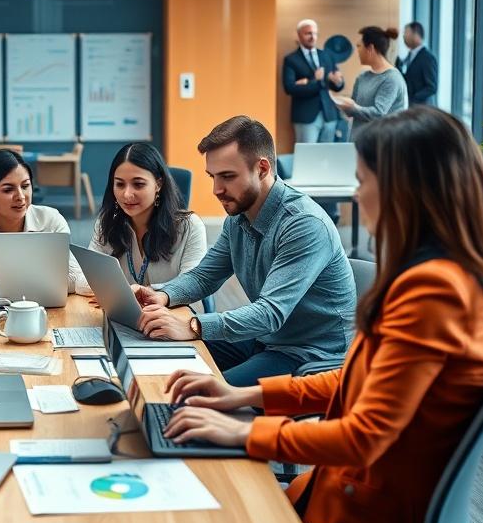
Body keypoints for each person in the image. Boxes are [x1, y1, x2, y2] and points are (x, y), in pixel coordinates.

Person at [134, 106, 483, 523]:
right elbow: (356, 386)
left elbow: (363, 436)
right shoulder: (447, 280)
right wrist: (242, 400)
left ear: (407, 190)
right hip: (348, 499)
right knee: (190, 479)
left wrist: (244, 435)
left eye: (364, 180)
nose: (358, 194)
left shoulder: (434, 294)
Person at [133, 117, 355, 386]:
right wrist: (162, 295)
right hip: (266, 339)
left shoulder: (304, 224)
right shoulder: (238, 218)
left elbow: (270, 313)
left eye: (227, 176)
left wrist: (193, 326)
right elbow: (204, 277)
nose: (217, 190)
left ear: (262, 168)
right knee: (159, 353)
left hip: (310, 355)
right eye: (213, 177)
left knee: (199, 393)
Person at [77, 142, 207, 296]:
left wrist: (144, 292)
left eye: (138, 184)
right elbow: (82, 281)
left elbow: (193, 285)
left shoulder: (189, 227)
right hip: (122, 314)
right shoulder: (107, 223)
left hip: (172, 315)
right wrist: (127, 293)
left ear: (158, 184)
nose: (126, 194)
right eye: (119, 184)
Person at [0, 149, 84, 290]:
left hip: (43, 306)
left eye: (25, 186)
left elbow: (74, 277)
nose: (20, 196)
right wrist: (38, 279)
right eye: (8, 190)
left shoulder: (51, 220)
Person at [331, 26, 408, 141]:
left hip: (381, 145)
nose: (357, 51)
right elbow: (354, 110)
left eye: (359, 46)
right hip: (359, 141)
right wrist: (341, 103)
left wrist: (352, 107)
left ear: (370, 48)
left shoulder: (391, 78)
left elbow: (378, 114)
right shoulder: (362, 77)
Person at [282, 18, 345, 144]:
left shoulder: (326, 55)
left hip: (329, 115)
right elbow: (289, 88)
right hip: (305, 116)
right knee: (306, 158)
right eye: (308, 33)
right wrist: (314, 81)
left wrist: (338, 82)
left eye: (315, 33)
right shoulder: (291, 59)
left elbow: (337, 85)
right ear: (299, 35)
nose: (313, 37)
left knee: (326, 157)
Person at [397, 21, 438, 106]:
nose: (403, 36)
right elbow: (411, 81)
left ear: (416, 34)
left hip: (423, 110)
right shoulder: (410, 56)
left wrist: (413, 98)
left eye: (406, 32)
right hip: (412, 108)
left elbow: (431, 87)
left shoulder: (428, 58)